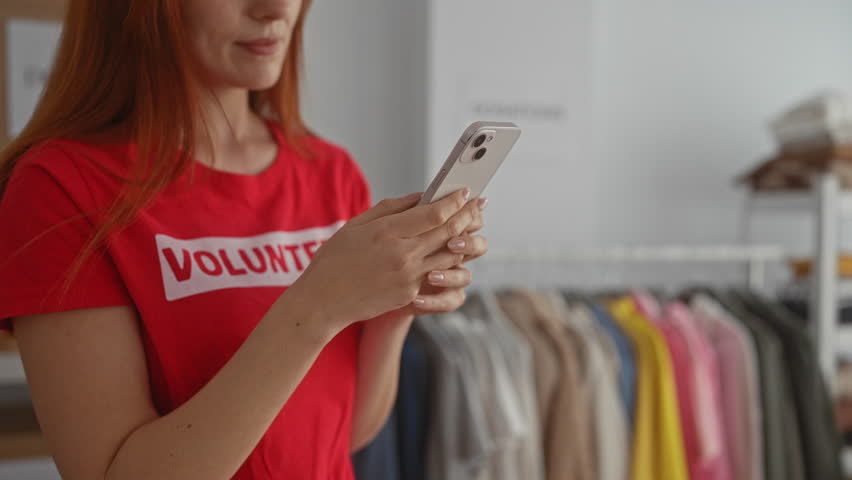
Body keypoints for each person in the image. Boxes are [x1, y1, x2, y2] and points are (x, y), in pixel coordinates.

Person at [0, 1, 489, 479]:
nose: (277, 8)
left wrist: (393, 314)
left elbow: (343, 433)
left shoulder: (331, 173)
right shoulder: (59, 189)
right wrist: (317, 307)